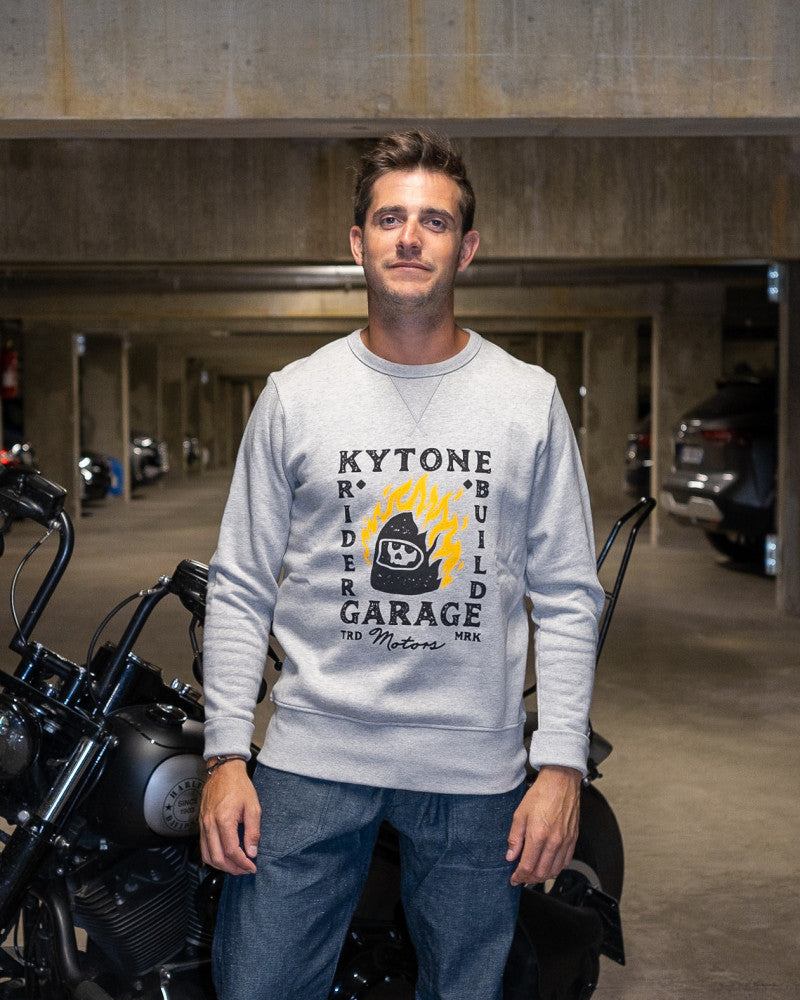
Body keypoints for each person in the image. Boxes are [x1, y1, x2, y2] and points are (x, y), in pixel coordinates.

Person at [199, 129, 605, 1000]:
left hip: (475, 772)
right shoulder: (296, 395)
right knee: (258, 985)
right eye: (390, 219)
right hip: (313, 758)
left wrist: (560, 765)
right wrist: (226, 754)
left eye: (434, 221)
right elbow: (239, 584)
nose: (411, 238)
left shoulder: (526, 400)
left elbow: (569, 595)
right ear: (358, 242)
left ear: (468, 246)